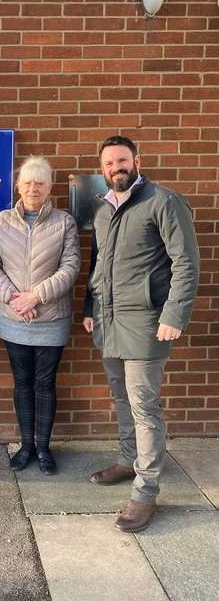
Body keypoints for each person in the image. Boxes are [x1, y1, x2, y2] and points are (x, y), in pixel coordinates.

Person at [83, 135, 199, 533]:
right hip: (109, 322)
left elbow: (186, 263)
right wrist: (88, 308)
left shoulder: (163, 202)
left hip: (149, 324)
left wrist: (174, 315)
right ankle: (128, 458)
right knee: (120, 396)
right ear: (102, 170)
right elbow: (98, 265)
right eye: (109, 163)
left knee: (144, 406)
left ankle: (145, 491)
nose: (116, 167)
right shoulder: (102, 211)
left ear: (137, 161)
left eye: (122, 160)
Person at [0, 156, 81, 475]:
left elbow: (71, 267)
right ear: (18, 186)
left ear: (50, 186)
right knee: (22, 382)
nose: (33, 188)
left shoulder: (64, 222)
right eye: (27, 182)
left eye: (40, 182)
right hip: (13, 316)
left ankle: (43, 448)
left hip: (51, 316)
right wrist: (14, 298)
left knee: (45, 383)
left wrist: (36, 296)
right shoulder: (1, 221)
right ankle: (26, 445)